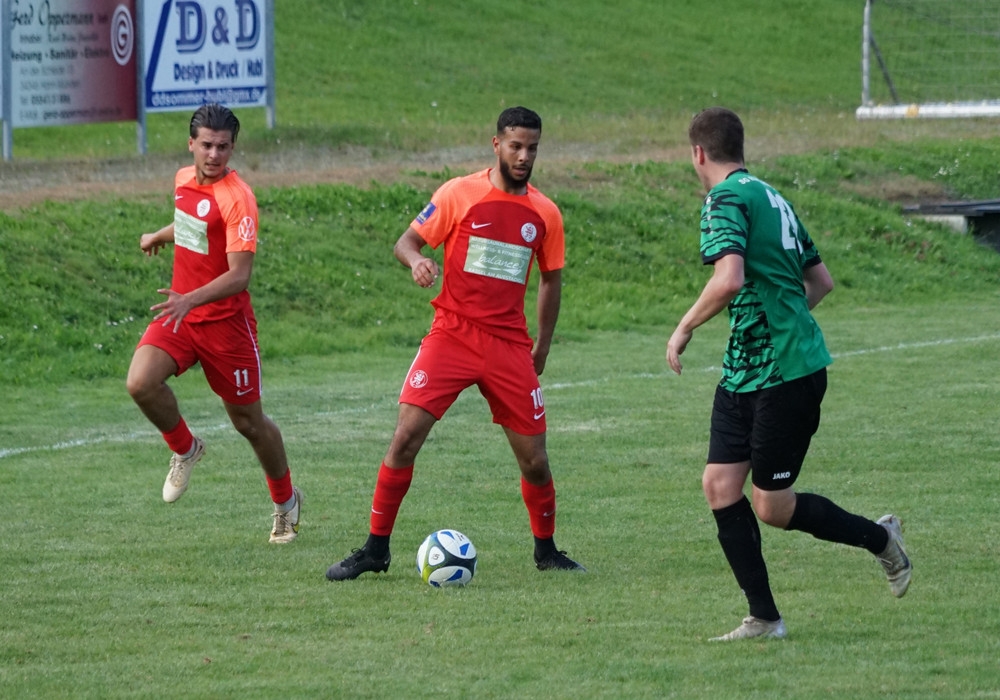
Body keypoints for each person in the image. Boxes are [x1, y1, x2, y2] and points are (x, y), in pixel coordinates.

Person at [665, 107, 911, 641]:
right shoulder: (772, 197)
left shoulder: (724, 199)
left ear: (698, 153)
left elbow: (729, 279)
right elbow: (820, 282)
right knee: (719, 485)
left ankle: (882, 540)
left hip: (785, 373)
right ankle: (764, 619)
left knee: (772, 506)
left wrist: (684, 327)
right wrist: (781, 318)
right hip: (744, 369)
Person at [326, 106, 584, 581]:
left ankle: (546, 552)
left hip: (509, 346)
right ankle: (375, 550)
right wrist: (417, 262)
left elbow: (551, 280)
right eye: (516, 146)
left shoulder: (545, 213)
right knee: (404, 439)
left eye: (532, 148)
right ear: (496, 144)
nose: (524, 157)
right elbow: (406, 242)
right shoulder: (458, 193)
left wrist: (542, 345)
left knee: (535, 460)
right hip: (452, 335)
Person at [126, 103, 301, 544]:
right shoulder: (183, 179)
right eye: (206, 145)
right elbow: (193, 224)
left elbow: (239, 275)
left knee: (249, 424)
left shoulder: (238, 198)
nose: (214, 154)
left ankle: (286, 503)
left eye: (223, 147)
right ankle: (186, 448)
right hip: (182, 315)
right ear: (191, 144)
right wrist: (158, 235)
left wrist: (189, 299)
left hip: (225, 326)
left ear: (232, 148)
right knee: (140, 383)